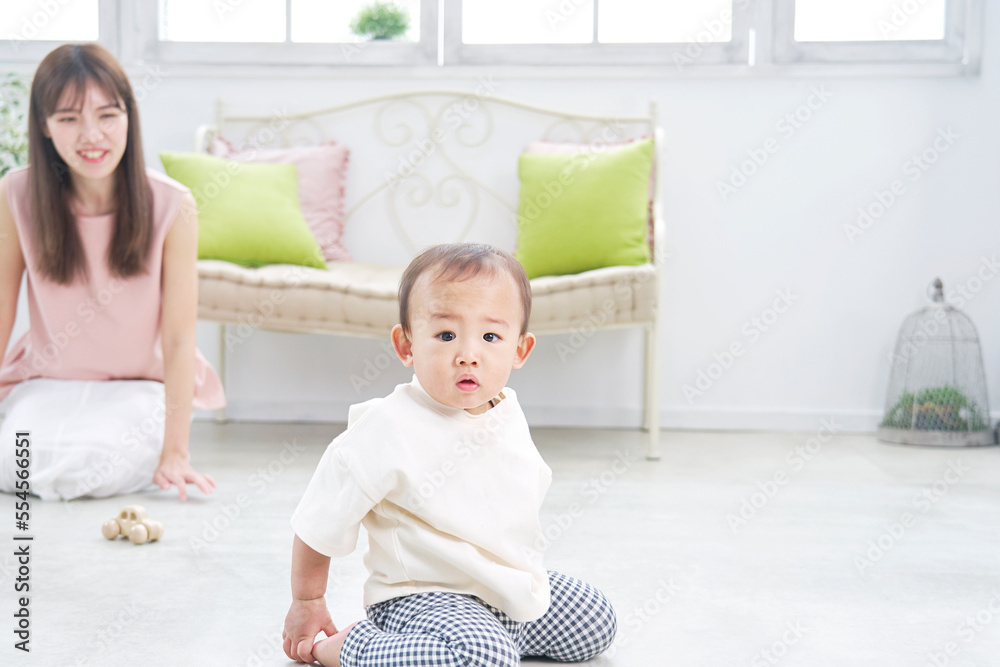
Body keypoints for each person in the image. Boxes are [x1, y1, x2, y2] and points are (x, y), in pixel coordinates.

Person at [283, 243, 616, 666]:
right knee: (485, 657)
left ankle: (486, 640)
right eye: (446, 335)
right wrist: (308, 600)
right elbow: (319, 520)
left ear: (520, 350)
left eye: (490, 337)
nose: (468, 355)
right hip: (420, 597)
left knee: (594, 621)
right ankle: (356, 647)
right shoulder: (386, 426)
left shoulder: (507, 411)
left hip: (502, 588)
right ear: (406, 345)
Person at [0, 43, 225, 501]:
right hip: (49, 381)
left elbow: (180, 338)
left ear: (128, 117)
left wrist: (175, 452)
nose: (91, 135)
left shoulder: (172, 205)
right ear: (43, 125)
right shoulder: (16, 195)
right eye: (68, 118)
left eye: (107, 115)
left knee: (92, 470)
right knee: (18, 467)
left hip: (141, 384)